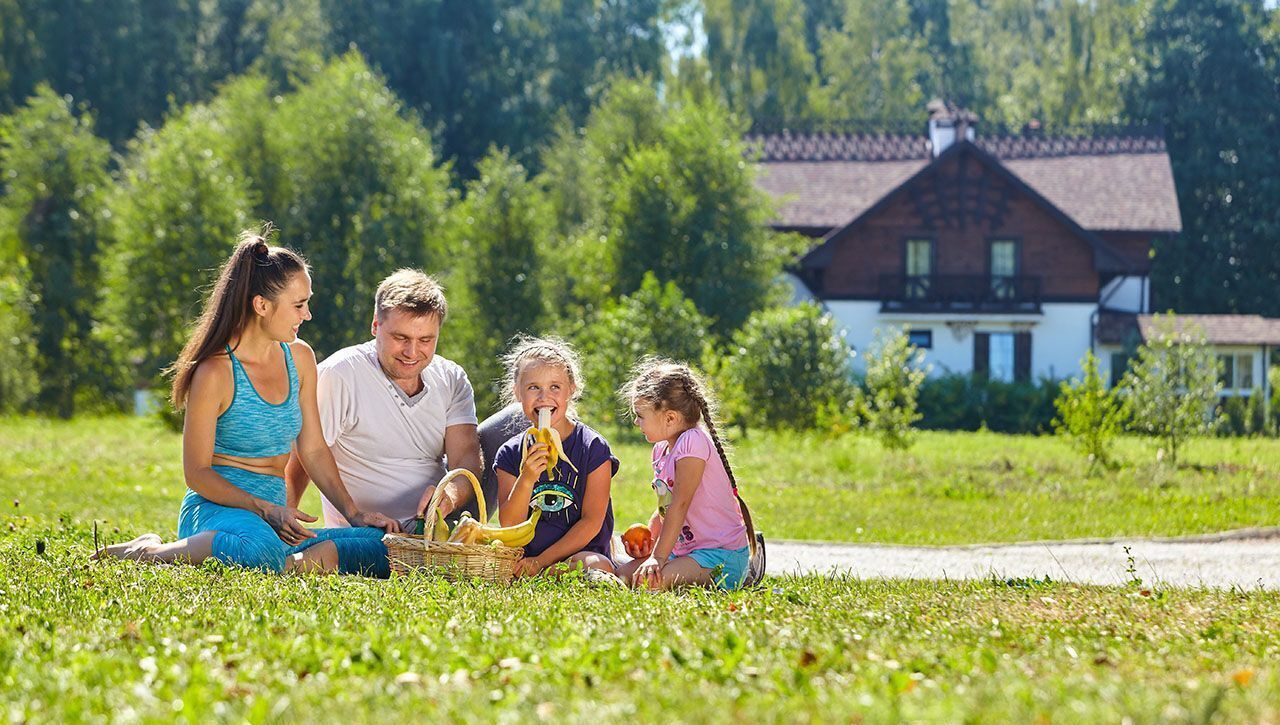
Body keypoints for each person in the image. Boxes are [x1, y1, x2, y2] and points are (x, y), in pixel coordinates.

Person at [93, 226, 400, 574]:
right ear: (261, 305)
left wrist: (354, 513)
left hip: (274, 519)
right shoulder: (215, 373)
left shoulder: (300, 359)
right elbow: (196, 473)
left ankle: (287, 563)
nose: (308, 315)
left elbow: (312, 449)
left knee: (382, 546)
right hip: (216, 512)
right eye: (299, 305)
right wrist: (263, 509)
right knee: (256, 548)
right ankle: (149, 552)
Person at [284, 269, 482, 532]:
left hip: (435, 529)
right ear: (376, 324)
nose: (412, 352)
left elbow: (466, 459)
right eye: (401, 338)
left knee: (508, 428)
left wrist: (450, 496)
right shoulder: (340, 374)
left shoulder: (451, 378)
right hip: (365, 532)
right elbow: (304, 453)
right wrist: (284, 518)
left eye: (425, 340)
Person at [615, 358, 753, 590]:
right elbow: (667, 504)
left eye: (640, 415)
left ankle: (741, 574)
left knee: (649, 583)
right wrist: (650, 542)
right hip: (687, 553)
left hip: (719, 556)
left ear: (670, 418)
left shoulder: (692, 442)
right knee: (623, 574)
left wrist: (657, 558)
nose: (636, 422)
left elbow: (680, 504)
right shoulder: (661, 449)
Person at [493, 336, 617, 577]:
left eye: (555, 387)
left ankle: (549, 572)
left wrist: (541, 562)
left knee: (594, 564)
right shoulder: (509, 453)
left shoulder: (593, 447)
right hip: (525, 557)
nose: (543, 397)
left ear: (571, 389)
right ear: (517, 392)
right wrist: (527, 478)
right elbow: (509, 525)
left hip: (579, 554)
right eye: (533, 387)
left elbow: (591, 522)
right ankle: (542, 572)